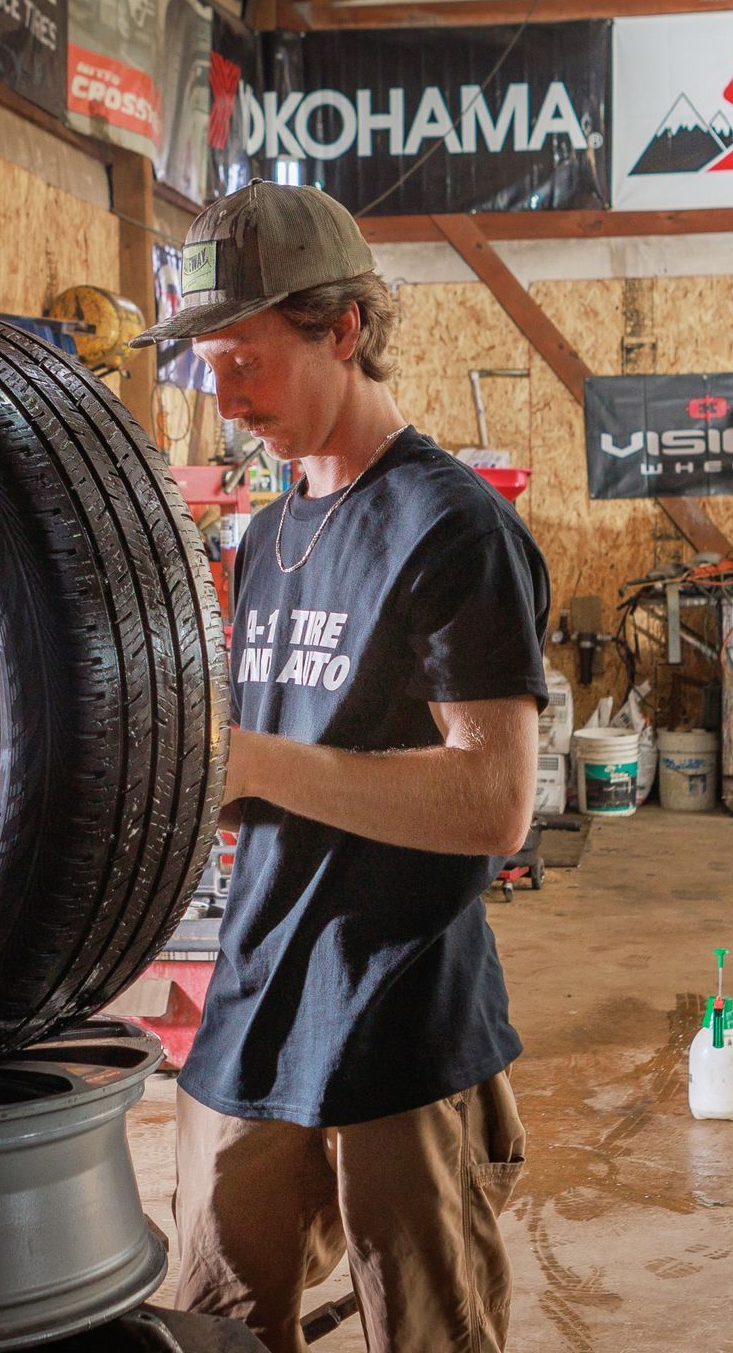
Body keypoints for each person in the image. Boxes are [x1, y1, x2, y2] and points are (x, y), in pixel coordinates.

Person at [130, 180, 550, 1353]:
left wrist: (258, 763)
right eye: (207, 364)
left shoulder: (451, 526)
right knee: (212, 1325)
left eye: (244, 357)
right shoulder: (266, 537)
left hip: (399, 1023)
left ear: (344, 329)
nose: (225, 394)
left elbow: (494, 802)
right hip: (253, 1013)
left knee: (427, 1332)